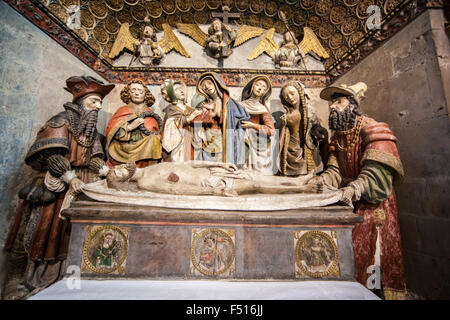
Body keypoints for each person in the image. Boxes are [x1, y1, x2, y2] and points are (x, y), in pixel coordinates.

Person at [3, 76, 115, 299]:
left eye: (101, 102)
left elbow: (93, 157)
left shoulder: (90, 129)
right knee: (44, 230)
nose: (99, 107)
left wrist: (106, 172)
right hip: (56, 186)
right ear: (81, 101)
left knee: (67, 234)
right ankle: (28, 278)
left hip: (83, 182)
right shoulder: (62, 121)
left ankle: (64, 273)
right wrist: (68, 176)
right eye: (94, 101)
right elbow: (49, 153)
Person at [308, 82, 406, 299]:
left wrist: (354, 187)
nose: (333, 106)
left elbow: (377, 175)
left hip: (374, 205)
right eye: (332, 102)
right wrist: (321, 181)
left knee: (374, 257)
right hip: (351, 203)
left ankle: (374, 294)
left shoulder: (373, 129)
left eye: (339, 101)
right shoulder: (338, 138)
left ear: (352, 105)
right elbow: (334, 170)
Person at [105, 161, 322, 197]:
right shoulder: (146, 182)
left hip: (213, 173)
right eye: (118, 173)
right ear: (123, 181)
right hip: (210, 184)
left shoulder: (152, 166)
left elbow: (190, 164)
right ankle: (302, 190)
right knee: (254, 185)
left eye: (119, 167)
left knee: (255, 176)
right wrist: (214, 192)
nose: (122, 169)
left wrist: (217, 163)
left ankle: (299, 180)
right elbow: (178, 191)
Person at [191, 72, 250, 167]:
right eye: (203, 86)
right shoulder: (203, 104)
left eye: (209, 83)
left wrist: (213, 110)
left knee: (220, 161)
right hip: (207, 137)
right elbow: (197, 120)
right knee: (208, 164)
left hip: (222, 137)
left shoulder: (228, 103)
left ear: (216, 83)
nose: (207, 87)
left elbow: (238, 118)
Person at [106, 79, 162, 168]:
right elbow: (111, 133)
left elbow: (156, 132)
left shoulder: (150, 114)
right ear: (128, 93)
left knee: (154, 140)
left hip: (145, 149)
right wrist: (129, 127)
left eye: (140, 91)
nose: (136, 93)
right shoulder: (122, 111)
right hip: (123, 149)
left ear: (146, 94)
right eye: (133, 90)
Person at [278, 81, 328, 176]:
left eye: (292, 94)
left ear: (299, 92)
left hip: (306, 147)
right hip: (290, 149)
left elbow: (316, 127)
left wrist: (317, 130)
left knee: (308, 171)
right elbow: (283, 135)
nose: (290, 98)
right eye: (286, 97)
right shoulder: (287, 114)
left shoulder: (310, 111)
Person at [240, 75, 277, 175]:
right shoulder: (241, 105)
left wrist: (252, 125)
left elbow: (271, 130)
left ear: (264, 93)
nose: (260, 88)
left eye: (264, 88)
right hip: (242, 140)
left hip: (258, 143)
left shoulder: (263, 109)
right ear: (252, 87)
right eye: (258, 85)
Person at [160, 79, 202, 162]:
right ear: (172, 94)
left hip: (190, 141)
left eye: (181, 88)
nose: (181, 91)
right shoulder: (172, 110)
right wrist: (189, 118)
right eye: (176, 89)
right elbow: (170, 127)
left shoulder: (191, 110)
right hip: (178, 145)